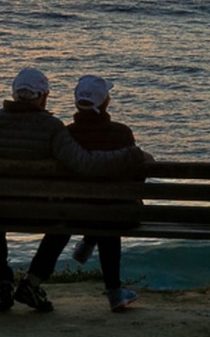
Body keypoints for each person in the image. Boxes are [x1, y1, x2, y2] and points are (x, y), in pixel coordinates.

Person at [0, 67, 146, 313]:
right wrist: (133, 154)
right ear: (43, 97)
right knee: (64, 216)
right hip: (41, 212)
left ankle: (2, 286)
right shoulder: (52, 128)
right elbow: (84, 163)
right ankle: (32, 282)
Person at [65, 74, 142, 311]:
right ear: (105, 102)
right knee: (110, 211)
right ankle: (114, 291)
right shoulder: (121, 134)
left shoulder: (65, 136)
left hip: (74, 212)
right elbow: (139, 180)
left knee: (100, 208)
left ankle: (89, 240)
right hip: (117, 213)